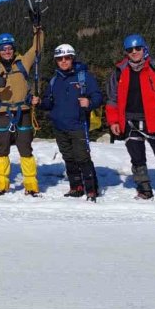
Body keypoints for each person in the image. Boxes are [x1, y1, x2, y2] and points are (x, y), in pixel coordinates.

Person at [105, 34, 155, 202]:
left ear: (144, 49)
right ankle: (144, 188)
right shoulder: (120, 71)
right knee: (137, 158)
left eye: (137, 48)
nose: (134, 52)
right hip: (129, 122)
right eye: (130, 50)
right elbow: (112, 99)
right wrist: (113, 121)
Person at [0, 26, 45, 196]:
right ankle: (2, 184)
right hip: (1, 113)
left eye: (9, 48)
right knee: (2, 149)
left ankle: (31, 184)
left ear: (14, 49)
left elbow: (37, 47)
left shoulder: (23, 62)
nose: (7, 52)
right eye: (3, 49)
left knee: (25, 148)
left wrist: (38, 30)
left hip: (22, 111)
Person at [37, 44, 103, 200]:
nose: (64, 61)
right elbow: (48, 103)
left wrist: (89, 103)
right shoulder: (54, 81)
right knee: (68, 157)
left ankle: (91, 188)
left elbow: (98, 97)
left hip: (78, 124)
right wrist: (39, 102)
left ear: (72, 58)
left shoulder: (84, 77)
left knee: (82, 157)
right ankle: (76, 187)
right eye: (60, 59)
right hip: (60, 126)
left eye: (67, 58)